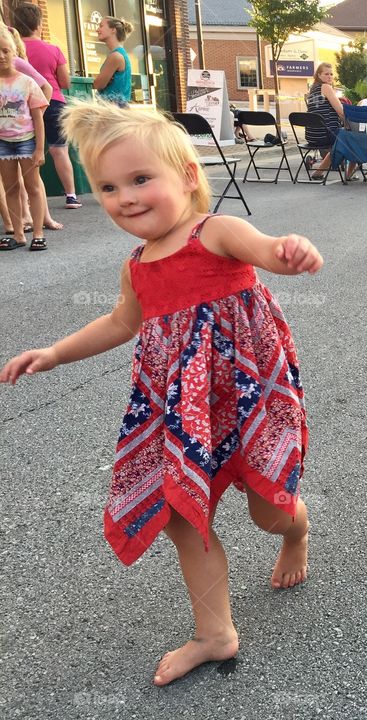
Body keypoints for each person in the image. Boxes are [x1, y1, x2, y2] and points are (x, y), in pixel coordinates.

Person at [0, 98, 323, 686]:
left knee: (271, 513)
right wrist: (55, 353)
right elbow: (121, 323)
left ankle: (297, 535)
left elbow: (269, 251)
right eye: (108, 187)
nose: (124, 197)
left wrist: (292, 249)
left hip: (248, 397)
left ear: (189, 177)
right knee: (179, 513)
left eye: (140, 179)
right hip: (182, 410)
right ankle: (215, 633)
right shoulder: (137, 266)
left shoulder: (216, 232)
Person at [13, 2, 80, 211]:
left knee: (24, 153)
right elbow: (65, 82)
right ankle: (71, 195)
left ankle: (27, 201)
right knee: (59, 150)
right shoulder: (53, 49)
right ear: (39, 24)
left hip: (22, 104)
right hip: (53, 101)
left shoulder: (12, 52)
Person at [0, 26, 47, 252]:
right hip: (3, 143)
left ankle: (38, 233)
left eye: (5, 51)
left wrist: (39, 148)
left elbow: (38, 118)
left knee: (33, 187)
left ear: (14, 52)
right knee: (11, 188)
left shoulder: (27, 82)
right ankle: (18, 234)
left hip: (26, 140)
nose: (1, 56)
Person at [305, 62, 345, 179]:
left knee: (343, 139)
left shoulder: (312, 90)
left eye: (331, 74)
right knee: (350, 137)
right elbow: (341, 112)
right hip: (325, 135)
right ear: (319, 75)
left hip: (312, 135)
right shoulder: (326, 87)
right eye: (326, 74)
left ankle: (319, 172)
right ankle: (349, 173)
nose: (330, 77)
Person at [92, 16, 132, 105]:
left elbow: (98, 84)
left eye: (101, 26)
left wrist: (96, 80)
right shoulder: (120, 54)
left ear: (113, 30)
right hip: (117, 107)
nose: (97, 30)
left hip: (112, 108)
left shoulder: (115, 56)